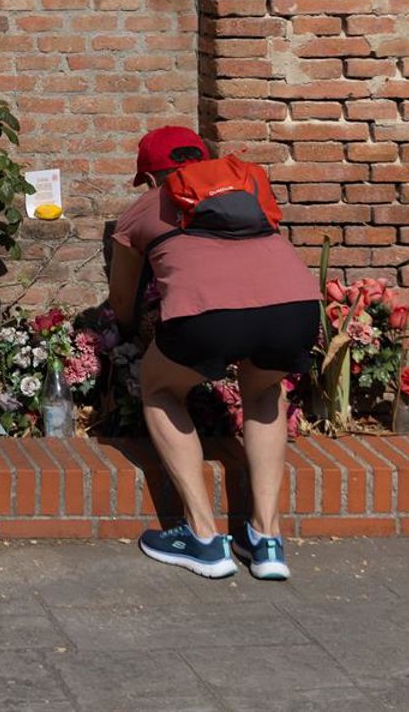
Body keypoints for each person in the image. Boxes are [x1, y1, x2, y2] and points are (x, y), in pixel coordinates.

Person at [106, 126, 320, 580]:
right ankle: (266, 540)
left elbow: (123, 301)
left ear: (151, 176)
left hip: (207, 316)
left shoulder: (143, 208)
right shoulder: (248, 188)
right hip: (296, 308)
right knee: (264, 391)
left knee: (159, 388)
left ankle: (203, 537)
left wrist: (126, 333)